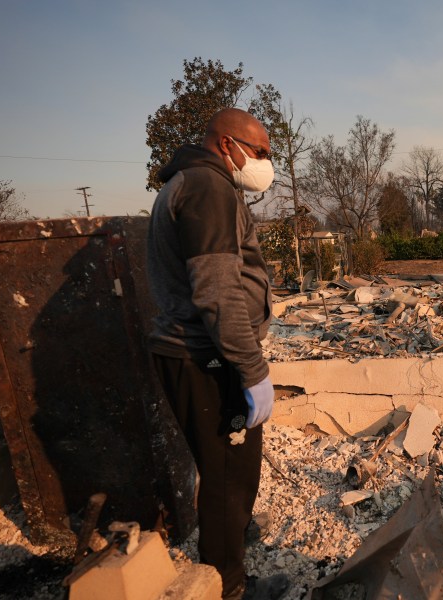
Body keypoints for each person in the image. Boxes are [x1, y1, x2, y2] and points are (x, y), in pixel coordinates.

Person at [146, 108, 279, 600]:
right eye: (261, 152)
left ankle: (228, 567)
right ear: (228, 145)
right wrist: (251, 368)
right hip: (205, 357)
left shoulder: (193, 182)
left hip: (201, 352)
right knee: (227, 479)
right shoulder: (208, 187)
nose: (266, 162)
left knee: (229, 475)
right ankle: (227, 589)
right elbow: (218, 291)